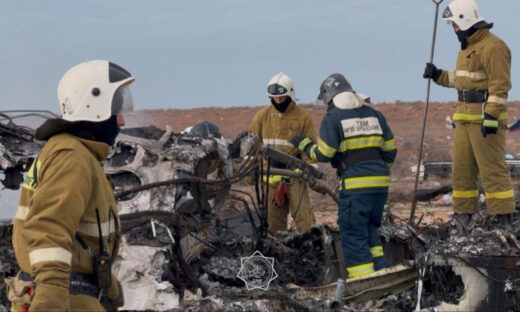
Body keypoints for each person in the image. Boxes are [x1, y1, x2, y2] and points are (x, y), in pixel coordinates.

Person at [7, 60, 134, 311]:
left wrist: (108, 286)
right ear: (95, 106)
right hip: (66, 300)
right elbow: (49, 228)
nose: (121, 122)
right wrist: (50, 299)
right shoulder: (72, 157)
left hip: (76, 296)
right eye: (117, 110)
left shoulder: (77, 154)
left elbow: (82, 239)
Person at [291, 73, 397, 278]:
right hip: (380, 186)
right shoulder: (374, 115)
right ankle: (383, 273)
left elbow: (324, 153)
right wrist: (376, 173)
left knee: (353, 235)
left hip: (356, 188)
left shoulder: (334, 117)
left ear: (330, 98)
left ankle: (364, 283)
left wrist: (305, 144)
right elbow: (390, 150)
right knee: (369, 231)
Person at [423, 0, 514, 231]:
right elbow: (461, 80)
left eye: (454, 24)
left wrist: (492, 116)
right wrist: (438, 75)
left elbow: (499, 85)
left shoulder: (494, 47)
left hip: (485, 120)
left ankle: (503, 219)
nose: (454, 29)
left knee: (492, 170)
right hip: (463, 119)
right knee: (462, 171)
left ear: (465, 21)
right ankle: (463, 216)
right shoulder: (466, 49)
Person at [248, 72, 317, 235]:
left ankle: (312, 250)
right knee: (273, 224)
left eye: (281, 98)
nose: (278, 101)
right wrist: (251, 171)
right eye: (274, 98)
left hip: (295, 177)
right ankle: (280, 256)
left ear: (290, 95)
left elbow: (310, 150)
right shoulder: (262, 117)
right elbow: (252, 148)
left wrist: (312, 174)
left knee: (304, 219)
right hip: (270, 179)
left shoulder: (302, 117)